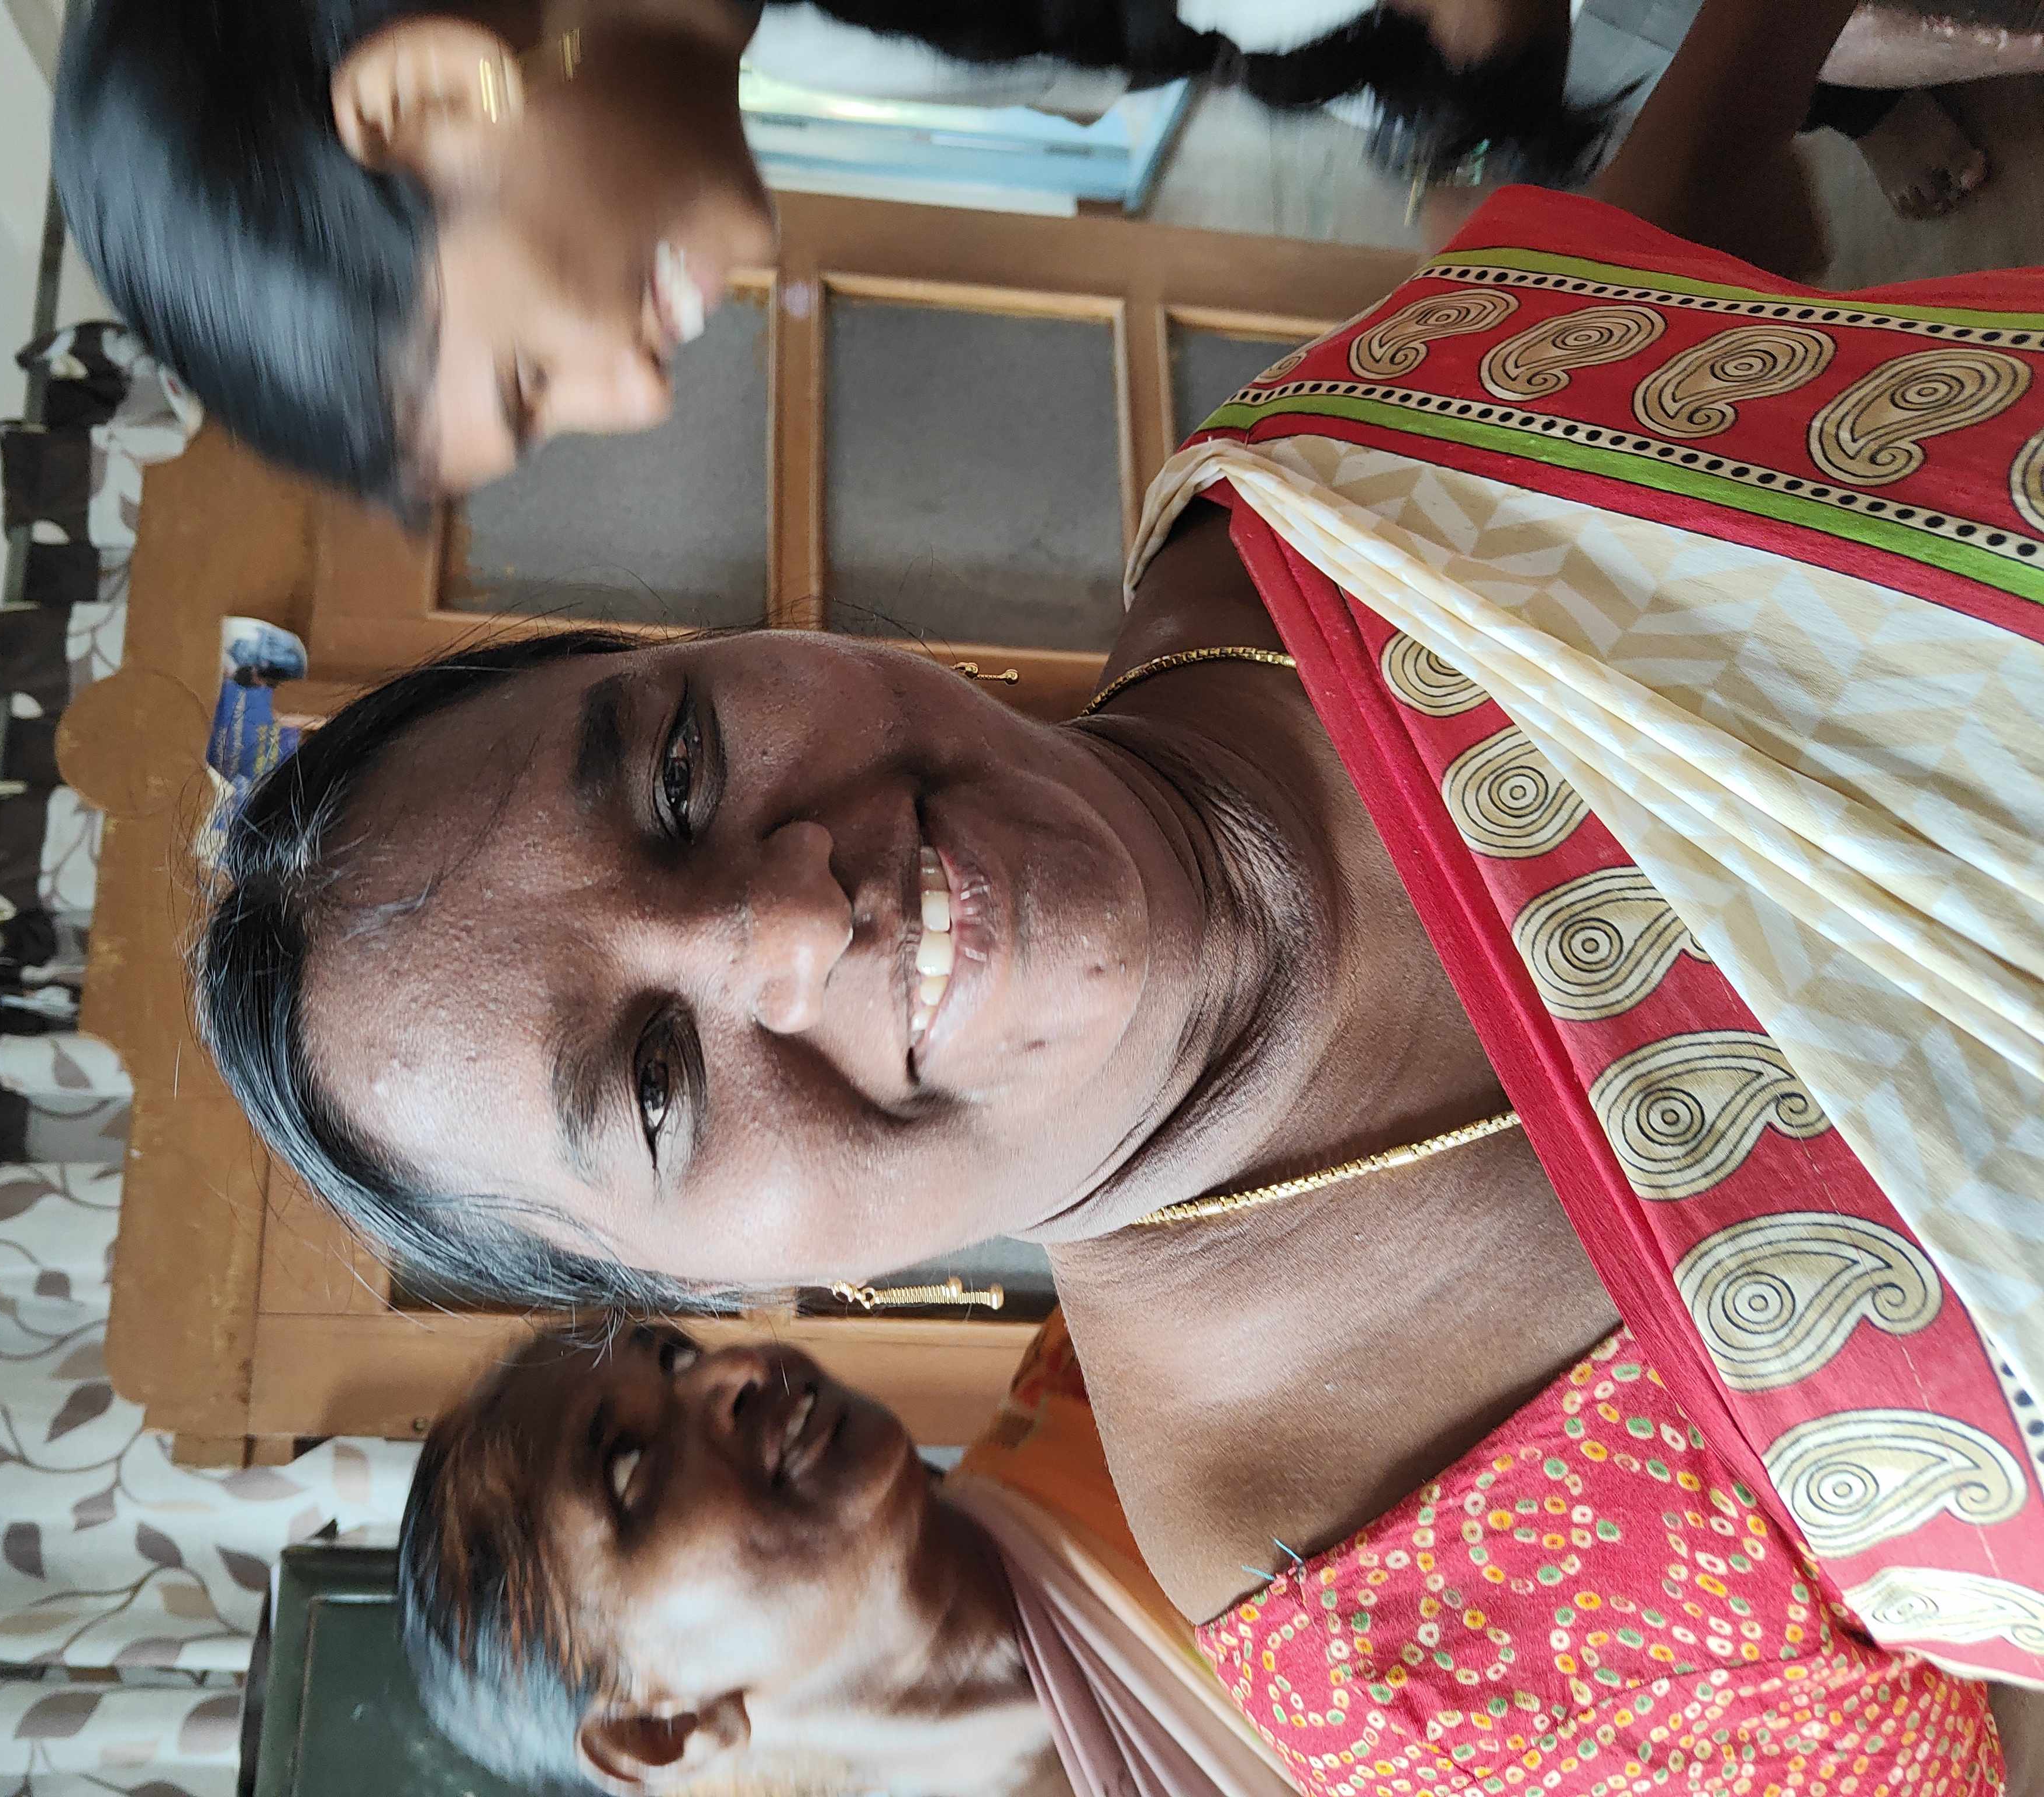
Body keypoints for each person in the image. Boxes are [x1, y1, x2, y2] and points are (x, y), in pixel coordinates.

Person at [195, 0, 2044, 1780]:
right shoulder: (1405, 1610)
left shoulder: (1282, 512)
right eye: (657, 1084)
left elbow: (1659, 296)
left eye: (679, 771)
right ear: (743, 1276)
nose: (786, 923)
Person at [51, 0, 1622, 504]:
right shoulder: (798, 40)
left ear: (425, 98)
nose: (641, 399)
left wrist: (1494, 143)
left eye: (530, 374)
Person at [398, 1316, 1295, 1797]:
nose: (734, 1371)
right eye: (629, 1466)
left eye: (675, 1354)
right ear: (656, 1732)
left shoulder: (1111, 1368)